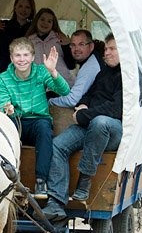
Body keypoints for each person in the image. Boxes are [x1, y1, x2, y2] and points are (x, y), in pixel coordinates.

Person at [42, 33, 122, 221]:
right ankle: (56, 201)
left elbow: (115, 109)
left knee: (100, 121)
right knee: (58, 145)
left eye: (112, 49)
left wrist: (84, 114)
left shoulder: (127, 76)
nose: (107, 52)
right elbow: (89, 94)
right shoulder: (103, 71)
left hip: (113, 130)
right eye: (107, 49)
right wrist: (84, 105)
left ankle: (84, 181)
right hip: (90, 126)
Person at [0, 37, 70, 199]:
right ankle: (10, 180)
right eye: (17, 56)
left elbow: (64, 91)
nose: (21, 60)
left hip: (38, 120)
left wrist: (53, 71)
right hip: (17, 120)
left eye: (25, 55)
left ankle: (41, 180)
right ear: (11, 58)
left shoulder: (41, 72)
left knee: (44, 129)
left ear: (32, 57)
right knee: (6, 132)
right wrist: (7, 108)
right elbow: (3, 103)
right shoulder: (3, 79)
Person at [47, 29, 103, 109]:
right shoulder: (93, 58)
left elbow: (72, 100)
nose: (76, 49)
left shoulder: (90, 65)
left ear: (91, 46)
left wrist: (49, 101)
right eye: (73, 45)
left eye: (81, 44)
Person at [25, 7, 75, 86]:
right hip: (39, 87)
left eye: (49, 21)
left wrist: (67, 46)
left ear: (53, 24)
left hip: (62, 84)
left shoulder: (60, 39)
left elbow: (71, 65)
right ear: (36, 21)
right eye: (42, 19)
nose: (45, 23)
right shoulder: (28, 42)